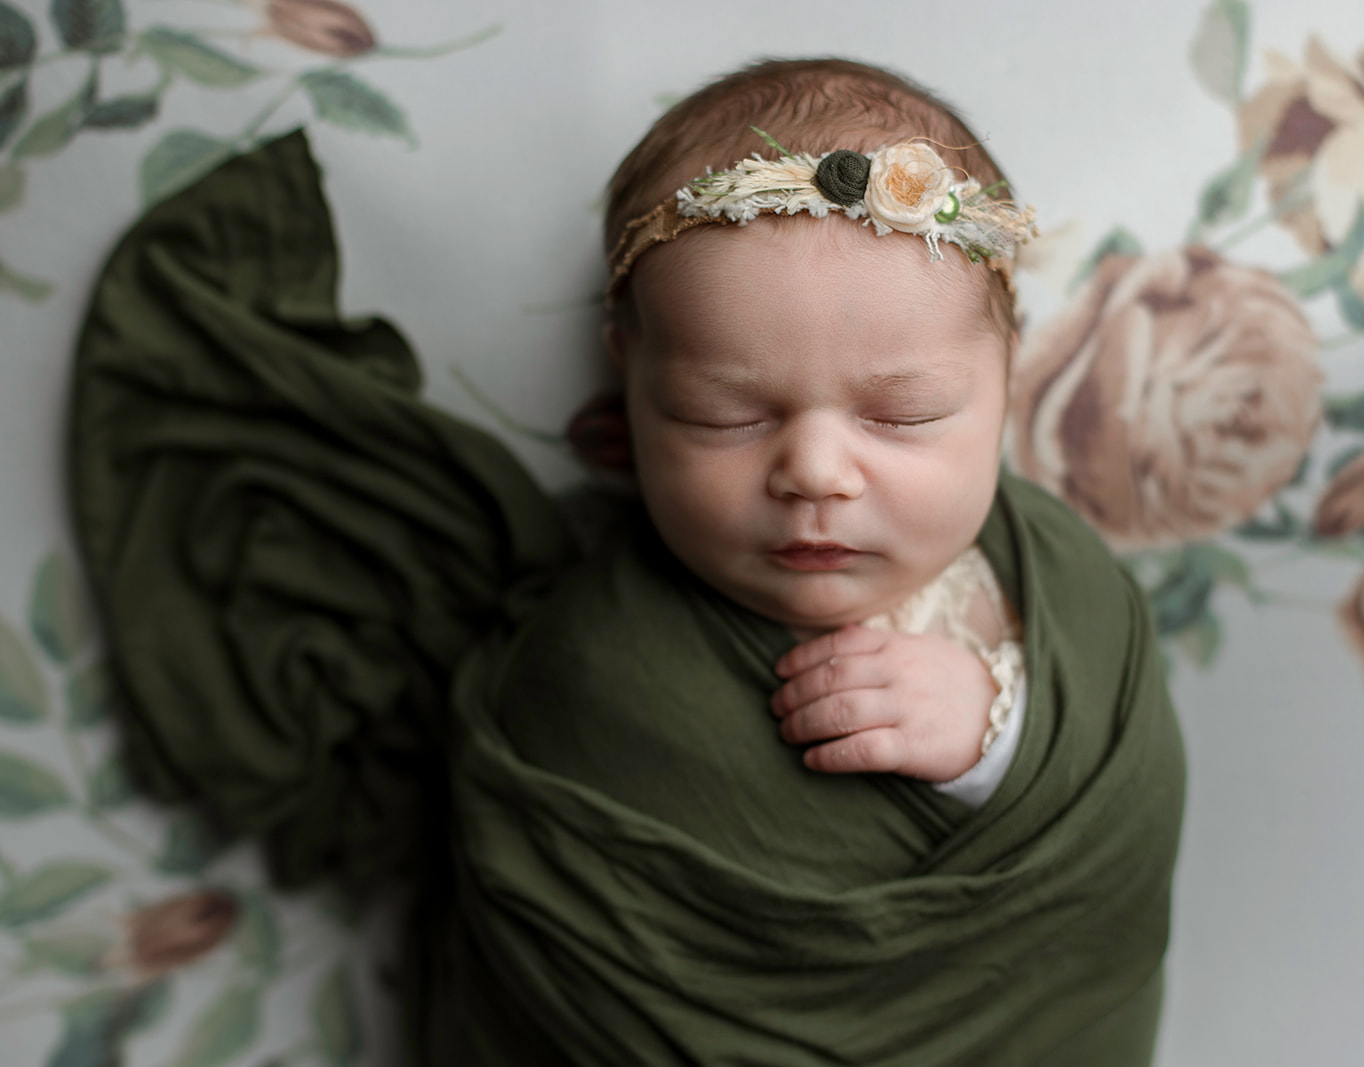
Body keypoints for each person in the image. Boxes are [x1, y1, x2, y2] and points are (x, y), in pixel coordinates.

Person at [68, 57, 1186, 1067]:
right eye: (723, 414)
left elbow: (1116, 824)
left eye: (901, 417)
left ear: (1002, 381)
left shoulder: (1060, 590)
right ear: (631, 388)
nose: (813, 472)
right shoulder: (592, 662)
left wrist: (998, 736)